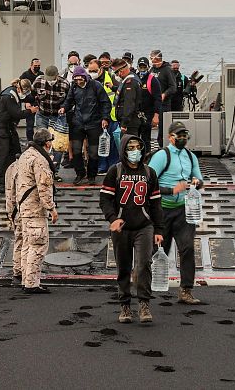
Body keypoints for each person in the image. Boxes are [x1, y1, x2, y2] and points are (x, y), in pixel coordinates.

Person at [100, 135, 164, 324]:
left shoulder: (149, 172)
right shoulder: (115, 171)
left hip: (144, 226)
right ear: (123, 150)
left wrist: (159, 229)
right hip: (121, 228)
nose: (135, 151)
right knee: (123, 267)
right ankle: (125, 305)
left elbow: (156, 204)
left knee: (144, 264)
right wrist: (113, 218)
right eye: (131, 147)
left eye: (138, 147)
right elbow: (105, 199)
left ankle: (144, 303)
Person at [148, 121, 205, 305]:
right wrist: (171, 190)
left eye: (184, 135)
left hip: (183, 210)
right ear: (170, 137)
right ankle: (144, 285)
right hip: (162, 210)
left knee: (187, 248)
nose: (182, 138)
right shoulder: (161, 156)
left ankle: (186, 290)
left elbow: (199, 179)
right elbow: (148, 182)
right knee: (158, 250)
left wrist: (196, 182)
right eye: (178, 135)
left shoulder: (190, 156)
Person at [14, 128, 59, 293]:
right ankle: (32, 284)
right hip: (35, 209)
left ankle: (26, 280)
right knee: (38, 246)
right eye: (51, 141)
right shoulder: (40, 160)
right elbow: (44, 187)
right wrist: (52, 208)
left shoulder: (25, 155)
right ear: (47, 143)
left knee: (28, 245)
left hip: (24, 208)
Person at [59, 66, 111, 185]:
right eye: (76, 79)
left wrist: (105, 118)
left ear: (85, 77)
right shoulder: (74, 87)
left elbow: (105, 102)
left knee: (93, 151)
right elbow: (69, 101)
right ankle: (80, 173)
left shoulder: (96, 85)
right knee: (76, 150)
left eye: (80, 79)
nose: (78, 82)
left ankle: (92, 175)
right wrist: (63, 108)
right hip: (78, 122)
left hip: (94, 122)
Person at [0, 79, 37, 193]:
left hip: (9, 126)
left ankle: (13, 176)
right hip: (1, 126)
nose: (26, 94)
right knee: (4, 151)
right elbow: (17, 113)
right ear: (19, 89)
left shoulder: (17, 93)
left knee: (16, 150)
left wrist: (36, 99)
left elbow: (28, 98)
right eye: (25, 91)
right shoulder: (9, 97)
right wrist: (30, 111)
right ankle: (0, 182)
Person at [32, 65, 70, 172]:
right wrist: (33, 104)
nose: (50, 81)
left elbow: (69, 100)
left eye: (52, 79)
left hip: (58, 116)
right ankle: (42, 168)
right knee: (41, 140)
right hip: (42, 114)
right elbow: (32, 94)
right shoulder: (38, 81)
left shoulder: (65, 84)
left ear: (57, 76)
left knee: (57, 142)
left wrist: (64, 107)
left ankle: (54, 170)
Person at [97, 53, 120, 174]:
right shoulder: (94, 78)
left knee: (113, 142)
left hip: (113, 115)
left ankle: (113, 166)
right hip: (100, 115)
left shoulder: (113, 75)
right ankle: (102, 166)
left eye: (107, 62)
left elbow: (119, 89)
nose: (104, 65)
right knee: (102, 142)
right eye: (102, 63)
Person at [149, 50, 177, 151]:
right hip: (152, 103)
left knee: (162, 128)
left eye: (153, 58)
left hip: (164, 104)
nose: (152, 61)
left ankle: (163, 147)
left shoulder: (167, 70)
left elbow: (173, 87)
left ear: (158, 59)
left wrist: (164, 94)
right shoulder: (152, 69)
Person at [135, 57, 162, 150]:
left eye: (144, 67)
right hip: (135, 114)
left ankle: (147, 156)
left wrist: (156, 115)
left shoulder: (153, 80)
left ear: (148, 67)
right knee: (134, 138)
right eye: (141, 66)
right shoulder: (134, 78)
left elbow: (158, 99)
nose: (142, 69)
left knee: (146, 139)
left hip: (147, 114)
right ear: (137, 67)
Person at [4, 157, 23, 283]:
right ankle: (22, 271)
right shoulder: (25, 167)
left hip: (12, 209)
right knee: (25, 241)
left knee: (19, 239)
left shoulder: (11, 167)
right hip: (21, 209)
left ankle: (18, 270)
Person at [20, 58, 42, 141]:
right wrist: (26, 102)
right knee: (30, 124)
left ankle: (40, 140)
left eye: (38, 66)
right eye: (35, 66)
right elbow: (21, 89)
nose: (37, 67)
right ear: (31, 65)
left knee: (41, 124)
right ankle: (30, 141)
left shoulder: (41, 74)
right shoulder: (25, 75)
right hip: (29, 102)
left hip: (39, 101)